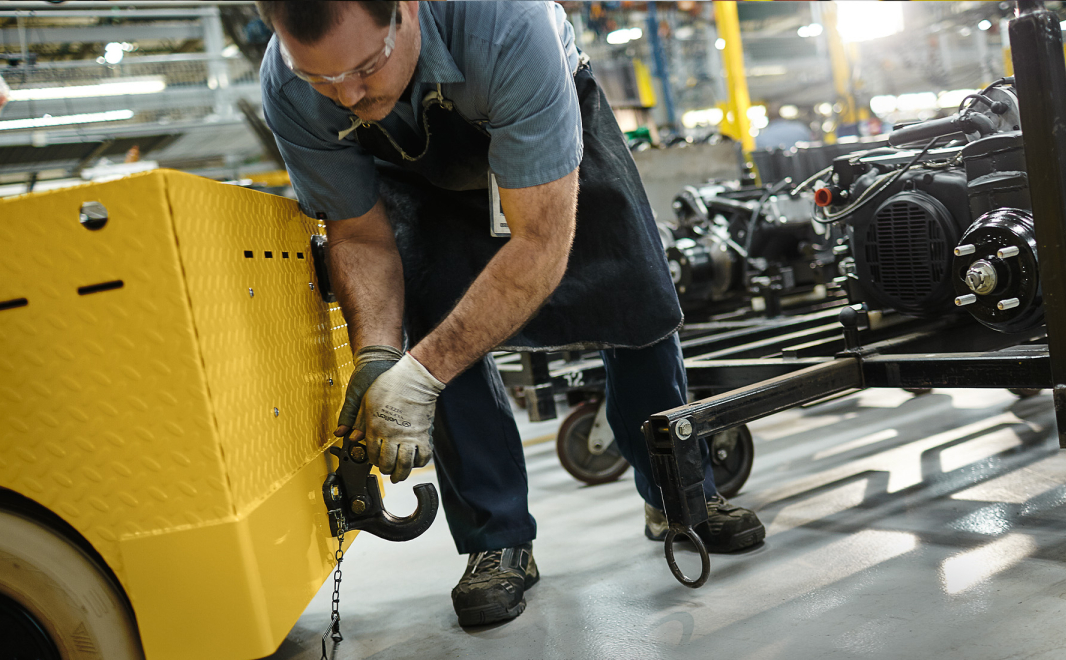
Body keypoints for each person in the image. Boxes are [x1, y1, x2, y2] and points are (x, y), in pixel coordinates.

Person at [255, 0, 765, 627]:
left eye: (365, 67)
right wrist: (384, 362)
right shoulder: (289, 85)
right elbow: (359, 238)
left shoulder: (506, 24)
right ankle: (497, 542)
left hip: (538, 128)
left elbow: (538, 241)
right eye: (321, 80)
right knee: (433, 327)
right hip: (415, 172)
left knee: (634, 302)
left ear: (407, 11)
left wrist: (422, 375)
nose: (347, 95)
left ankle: (681, 497)